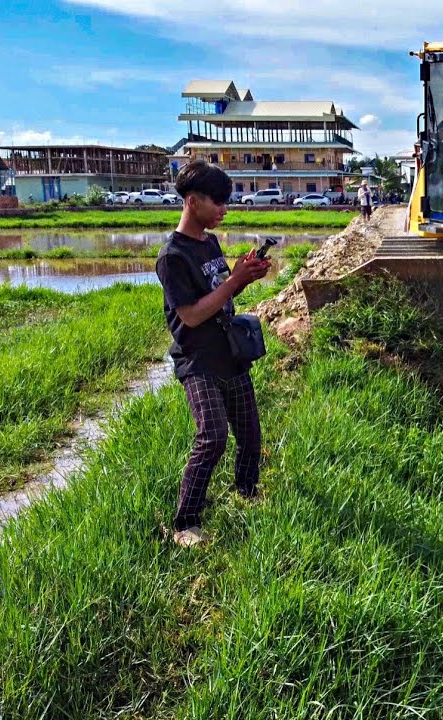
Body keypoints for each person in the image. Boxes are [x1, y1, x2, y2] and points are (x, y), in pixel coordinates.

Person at [155, 160, 271, 547]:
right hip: (198, 360)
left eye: (227, 202)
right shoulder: (172, 256)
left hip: (230, 352)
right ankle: (185, 523)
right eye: (218, 202)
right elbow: (190, 315)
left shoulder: (210, 242)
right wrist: (234, 280)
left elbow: (217, 297)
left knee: (250, 436)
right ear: (192, 201)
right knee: (213, 437)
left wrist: (241, 276)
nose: (224, 209)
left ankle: (247, 493)